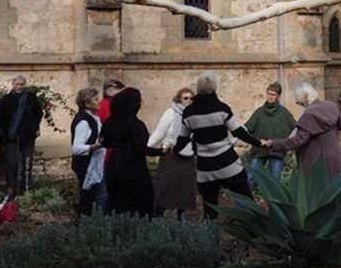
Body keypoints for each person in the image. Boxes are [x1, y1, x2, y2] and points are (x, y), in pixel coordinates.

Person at [175, 72, 262, 220]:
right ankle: (253, 235)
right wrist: (259, 143)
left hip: (205, 169)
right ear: (214, 88)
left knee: (210, 210)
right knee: (247, 201)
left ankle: (211, 238)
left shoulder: (188, 113)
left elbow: (182, 140)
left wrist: (175, 151)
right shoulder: (222, 108)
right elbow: (238, 132)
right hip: (228, 164)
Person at [261, 82, 341, 179]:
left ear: (305, 99)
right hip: (335, 158)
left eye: (300, 103)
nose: (301, 105)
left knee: (319, 193)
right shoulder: (331, 105)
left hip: (317, 164)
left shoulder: (309, 114)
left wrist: (272, 143)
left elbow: (297, 141)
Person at [101, 87, 164, 217]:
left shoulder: (109, 122)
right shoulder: (136, 125)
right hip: (133, 168)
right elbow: (141, 148)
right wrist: (162, 151)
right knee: (140, 205)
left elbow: (104, 142)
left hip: (113, 165)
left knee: (117, 205)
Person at [148, 87, 197, 219]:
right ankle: (158, 216)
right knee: (164, 188)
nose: (189, 101)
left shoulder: (194, 115)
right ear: (179, 99)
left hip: (188, 157)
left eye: (191, 98)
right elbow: (159, 132)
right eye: (185, 98)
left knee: (184, 190)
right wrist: (146, 147)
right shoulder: (170, 113)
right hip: (171, 155)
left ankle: (180, 218)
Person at [0, 75, 43, 195]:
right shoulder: (7, 99)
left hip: (28, 135)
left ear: (25, 85)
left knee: (27, 163)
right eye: (17, 84)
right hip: (11, 137)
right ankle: (10, 190)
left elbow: (38, 113)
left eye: (22, 84)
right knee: (11, 164)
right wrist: (6, 132)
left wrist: (35, 127)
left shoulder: (31, 97)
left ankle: (25, 189)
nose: (19, 87)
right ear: (13, 85)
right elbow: (1, 117)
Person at [245, 82, 296, 182]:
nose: (270, 96)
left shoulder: (284, 113)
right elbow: (247, 129)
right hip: (259, 150)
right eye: (268, 93)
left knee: (274, 182)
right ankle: (248, 198)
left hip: (277, 151)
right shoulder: (259, 112)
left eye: (273, 94)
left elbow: (295, 129)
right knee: (251, 178)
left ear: (278, 96)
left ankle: (270, 198)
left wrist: (287, 144)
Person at [70, 87, 106, 215]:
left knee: (96, 196)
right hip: (86, 166)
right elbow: (76, 148)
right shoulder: (84, 122)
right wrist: (96, 146)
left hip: (96, 163)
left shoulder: (94, 118)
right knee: (89, 198)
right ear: (87, 103)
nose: (99, 101)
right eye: (96, 99)